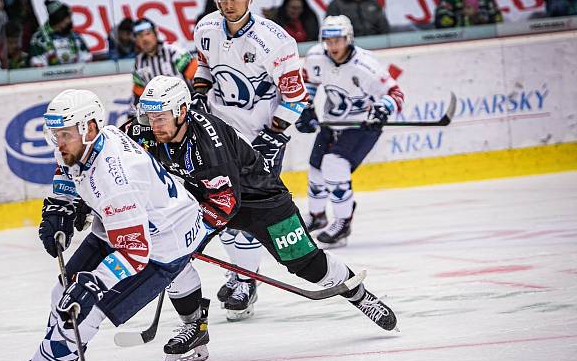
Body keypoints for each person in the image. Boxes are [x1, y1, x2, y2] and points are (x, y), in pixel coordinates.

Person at [0, 89, 210, 361]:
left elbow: (134, 252)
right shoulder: (83, 142)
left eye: (64, 134)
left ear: (89, 128)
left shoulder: (116, 180)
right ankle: (61, 359)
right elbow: (67, 169)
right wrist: (60, 205)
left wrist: (94, 283)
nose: (58, 143)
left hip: (162, 244)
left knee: (81, 312)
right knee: (61, 294)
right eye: (55, 134)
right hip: (124, 225)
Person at [126, 75, 397, 333]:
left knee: (309, 266)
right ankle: (195, 328)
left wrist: (191, 237)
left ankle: (359, 295)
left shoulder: (209, 145)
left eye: (160, 117)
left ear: (181, 111)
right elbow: (110, 147)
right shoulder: (150, 130)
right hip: (210, 197)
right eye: (150, 117)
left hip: (263, 202)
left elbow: (226, 203)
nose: (154, 124)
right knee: (169, 255)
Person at [193, 0, 308, 313]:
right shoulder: (205, 28)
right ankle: (245, 275)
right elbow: (204, 69)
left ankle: (245, 278)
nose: (229, 4)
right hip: (217, 135)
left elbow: (295, 97)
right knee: (220, 209)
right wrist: (199, 96)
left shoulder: (276, 40)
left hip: (259, 139)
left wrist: (273, 135)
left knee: (253, 211)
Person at [298, 15, 404, 248]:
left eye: (338, 40)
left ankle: (343, 223)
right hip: (332, 122)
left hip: (362, 125)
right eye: (329, 40)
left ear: (349, 38)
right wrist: (305, 108)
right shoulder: (316, 56)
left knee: (334, 165)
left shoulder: (366, 65)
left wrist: (382, 110)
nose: (333, 46)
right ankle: (317, 217)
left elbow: (396, 95)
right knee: (316, 169)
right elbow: (310, 84)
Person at [131, 17, 196, 111]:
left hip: (187, 108)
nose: (144, 39)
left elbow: (198, 80)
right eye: (139, 36)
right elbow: (138, 95)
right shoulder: (138, 63)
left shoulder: (175, 52)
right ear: (136, 40)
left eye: (147, 33)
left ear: (156, 34)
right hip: (160, 115)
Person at [29, 0, 92, 66]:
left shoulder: (75, 36)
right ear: (58, 20)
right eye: (67, 18)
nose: (70, 21)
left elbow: (86, 58)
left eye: (70, 17)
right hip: (50, 75)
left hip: (78, 74)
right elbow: (38, 64)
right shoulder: (39, 39)